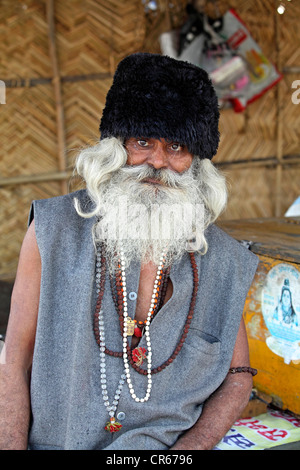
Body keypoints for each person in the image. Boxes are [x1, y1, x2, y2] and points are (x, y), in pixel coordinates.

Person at [0, 53, 259, 450]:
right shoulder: (52, 230)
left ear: (196, 162)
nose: (156, 161)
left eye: (176, 147)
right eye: (143, 142)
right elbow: (12, 363)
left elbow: (239, 375)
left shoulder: (222, 260)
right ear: (117, 147)